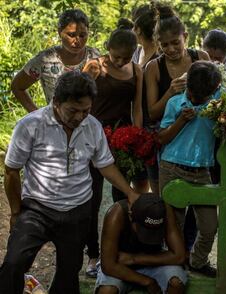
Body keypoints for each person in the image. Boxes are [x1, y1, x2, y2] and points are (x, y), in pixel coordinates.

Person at [0, 71, 140, 294]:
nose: (79, 117)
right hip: (37, 208)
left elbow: (105, 165)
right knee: (14, 262)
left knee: (70, 270)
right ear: (56, 102)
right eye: (73, 110)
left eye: (85, 110)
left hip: (78, 210)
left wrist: (130, 193)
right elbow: (11, 171)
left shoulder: (92, 126)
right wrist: (16, 212)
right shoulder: (30, 125)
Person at [145, 4, 209, 254]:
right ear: (158, 44)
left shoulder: (200, 57)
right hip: (171, 146)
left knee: (200, 209)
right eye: (164, 45)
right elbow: (152, 112)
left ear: (186, 38)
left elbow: (217, 95)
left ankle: (192, 257)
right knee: (173, 208)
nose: (171, 49)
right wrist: (171, 91)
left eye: (175, 43)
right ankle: (173, 257)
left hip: (201, 145)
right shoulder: (153, 68)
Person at [83, 18, 144, 278]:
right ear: (108, 48)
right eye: (117, 57)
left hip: (122, 137)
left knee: (123, 195)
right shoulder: (94, 67)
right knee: (92, 198)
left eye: (126, 58)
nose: (121, 62)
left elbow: (138, 107)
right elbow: (80, 100)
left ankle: (121, 249)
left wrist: (137, 137)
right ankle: (93, 254)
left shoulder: (137, 70)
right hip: (94, 136)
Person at [158, 61, 221, 277]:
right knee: (174, 225)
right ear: (187, 86)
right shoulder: (176, 103)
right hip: (172, 167)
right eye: (192, 94)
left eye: (200, 98)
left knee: (210, 225)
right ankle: (174, 265)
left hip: (201, 172)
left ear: (213, 91)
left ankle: (198, 261)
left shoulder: (217, 104)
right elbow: (161, 137)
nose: (194, 100)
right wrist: (180, 121)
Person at [95, 194, 187, 294]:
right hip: (121, 266)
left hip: (151, 261)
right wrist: (147, 281)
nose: (149, 237)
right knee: (106, 291)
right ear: (131, 216)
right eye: (144, 230)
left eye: (154, 232)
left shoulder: (164, 210)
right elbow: (108, 266)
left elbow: (179, 256)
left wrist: (133, 259)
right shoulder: (116, 214)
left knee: (176, 283)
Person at [11, 9, 99, 112]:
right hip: (55, 125)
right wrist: (37, 116)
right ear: (59, 32)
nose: (77, 41)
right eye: (71, 35)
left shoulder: (94, 56)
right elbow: (17, 86)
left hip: (88, 123)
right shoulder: (45, 59)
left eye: (82, 35)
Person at [131, 3, 161, 196]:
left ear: (139, 29)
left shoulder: (157, 57)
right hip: (141, 123)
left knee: (157, 183)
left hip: (153, 126)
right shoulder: (140, 52)